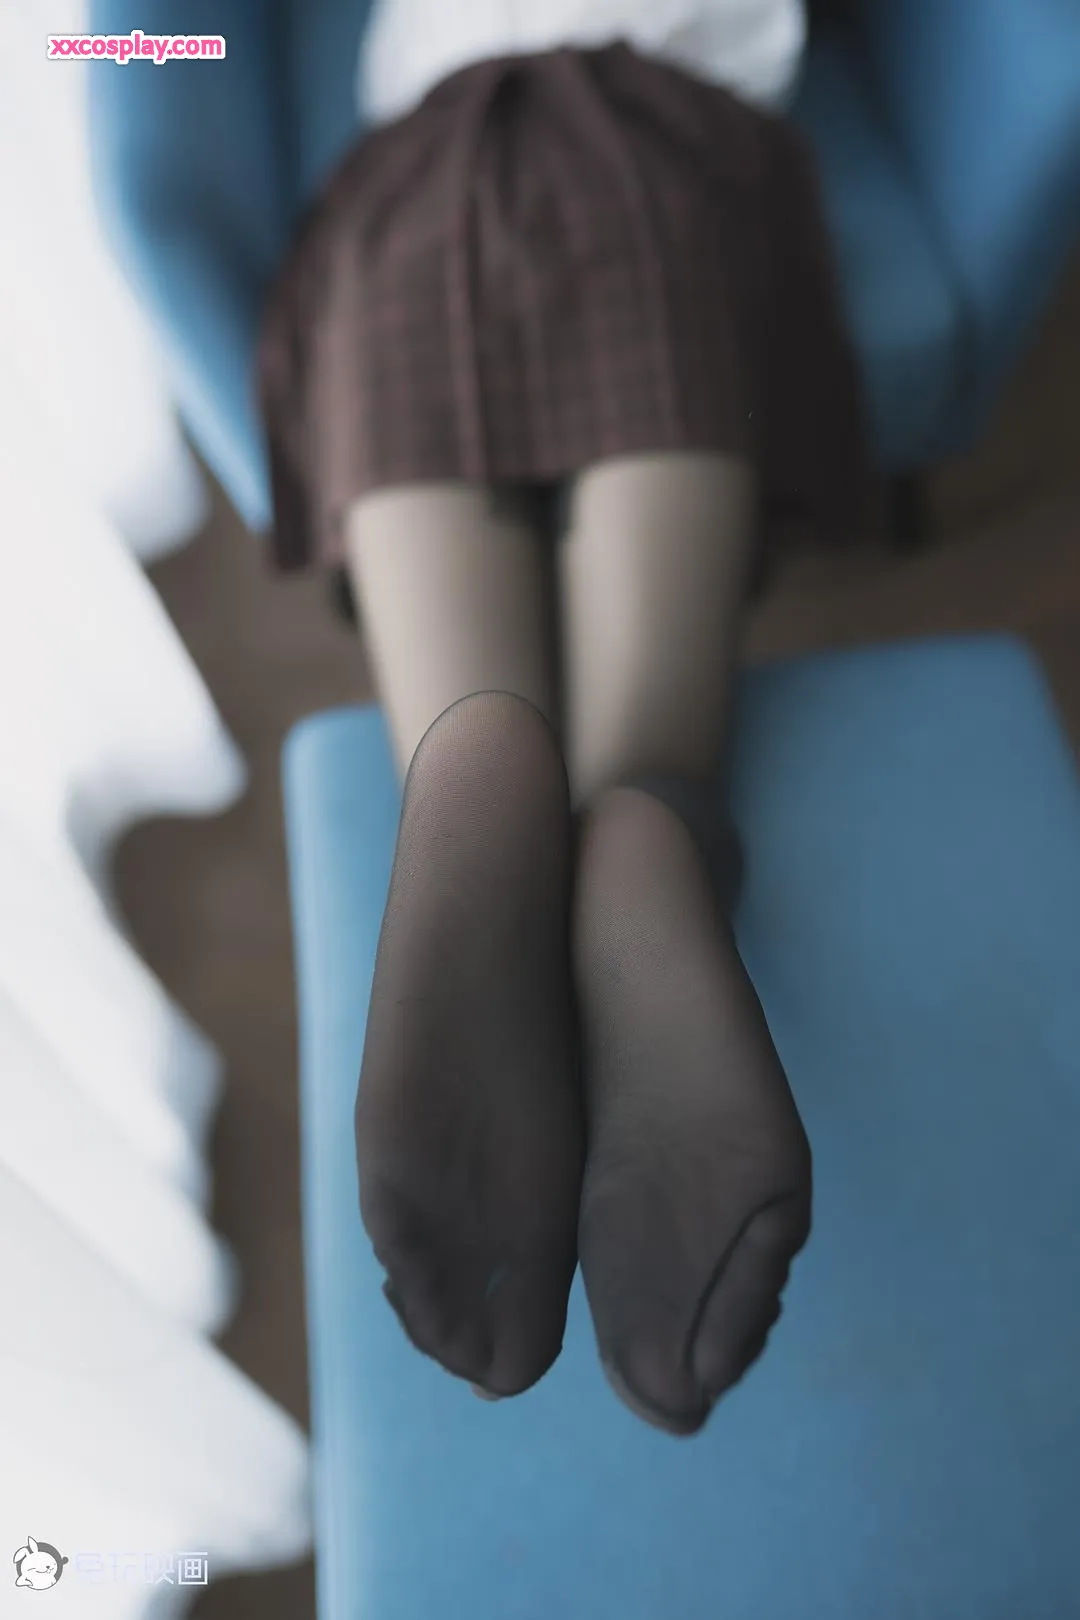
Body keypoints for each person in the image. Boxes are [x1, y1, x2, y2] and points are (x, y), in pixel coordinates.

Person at [258, 0, 872, 1436]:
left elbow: (115, 44)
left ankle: (484, 797)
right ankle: (645, 833)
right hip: (658, 140)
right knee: (661, 354)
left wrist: (126, 54)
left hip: (418, 175)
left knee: (402, 391)